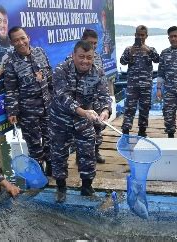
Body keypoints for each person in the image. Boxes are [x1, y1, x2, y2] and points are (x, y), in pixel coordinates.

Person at [50, 40, 112, 203]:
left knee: (88, 153)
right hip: (60, 121)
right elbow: (63, 97)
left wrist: (105, 111)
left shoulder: (97, 72)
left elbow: (104, 96)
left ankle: (86, 187)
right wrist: (83, 112)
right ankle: (61, 187)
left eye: (89, 57)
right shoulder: (60, 70)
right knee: (59, 155)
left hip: (84, 120)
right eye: (81, 57)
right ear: (73, 55)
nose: (85, 61)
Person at [4, 26, 52, 176]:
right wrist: (12, 110)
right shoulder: (11, 63)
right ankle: (38, 174)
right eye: (16, 40)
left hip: (47, 106)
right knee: (34, 145)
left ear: (28, 37)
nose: (21, 42)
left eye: (22, 38)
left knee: (50, 138)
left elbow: (50, 76)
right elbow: (11, 89)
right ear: (12, 43)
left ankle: (51, 168)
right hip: (28, 111)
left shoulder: (40, 52)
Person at [66, 29, 106, 164]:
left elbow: (102, 81)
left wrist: (106, 108)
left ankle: (95, 152)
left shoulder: (97, 57)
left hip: (96, 101)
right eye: (90, 42)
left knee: (97, 128)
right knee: (81, 133)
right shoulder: (70, 61)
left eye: (95, 43)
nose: (93, 46)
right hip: (79, 105)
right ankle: (80, 156)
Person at [120, 25, 159, 137]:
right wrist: (131, 52)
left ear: (146, 36)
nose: (140, 37)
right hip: (132, 85)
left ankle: (142, 131)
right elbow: (122, 62)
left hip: (146, 85)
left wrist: (147, 50)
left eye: (142, 35)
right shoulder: (128, 49)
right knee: (129, 108)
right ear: (135, 35)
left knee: (145, 108)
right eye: (138, 35)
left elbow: (157, 59)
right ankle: (126, 132)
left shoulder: (150, 49)